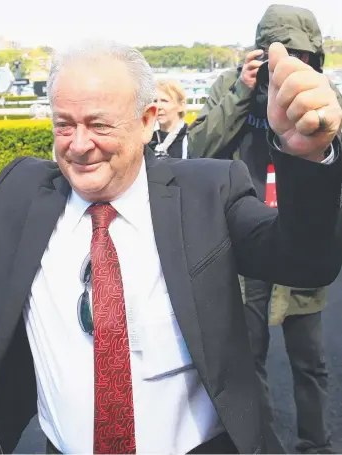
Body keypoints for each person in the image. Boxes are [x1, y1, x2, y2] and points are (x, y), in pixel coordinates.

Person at [0, 40, 342, 455]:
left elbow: (306, 261)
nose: (78, 146)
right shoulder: (25, 191)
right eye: (62, 125)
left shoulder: (207, 189)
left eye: (98, 124)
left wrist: (305, 159)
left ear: (148, 121)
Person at [187, 5, 342, 453]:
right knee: (246, 355)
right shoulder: (232, 86)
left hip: (302, 236)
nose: (290, 63)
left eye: (301, 54)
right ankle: (261, 444)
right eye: (279, 52)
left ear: (315, 58)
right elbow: (198, 149)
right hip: (248, 238)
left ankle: (318, 446)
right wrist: (240, 92)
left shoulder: (320, 92)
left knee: (309, 359)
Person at [149, 79, 189, 159]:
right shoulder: (148, 139)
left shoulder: (191, 139)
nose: (158, 107)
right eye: (155, 101)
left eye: (164, 101)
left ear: (181, 105)